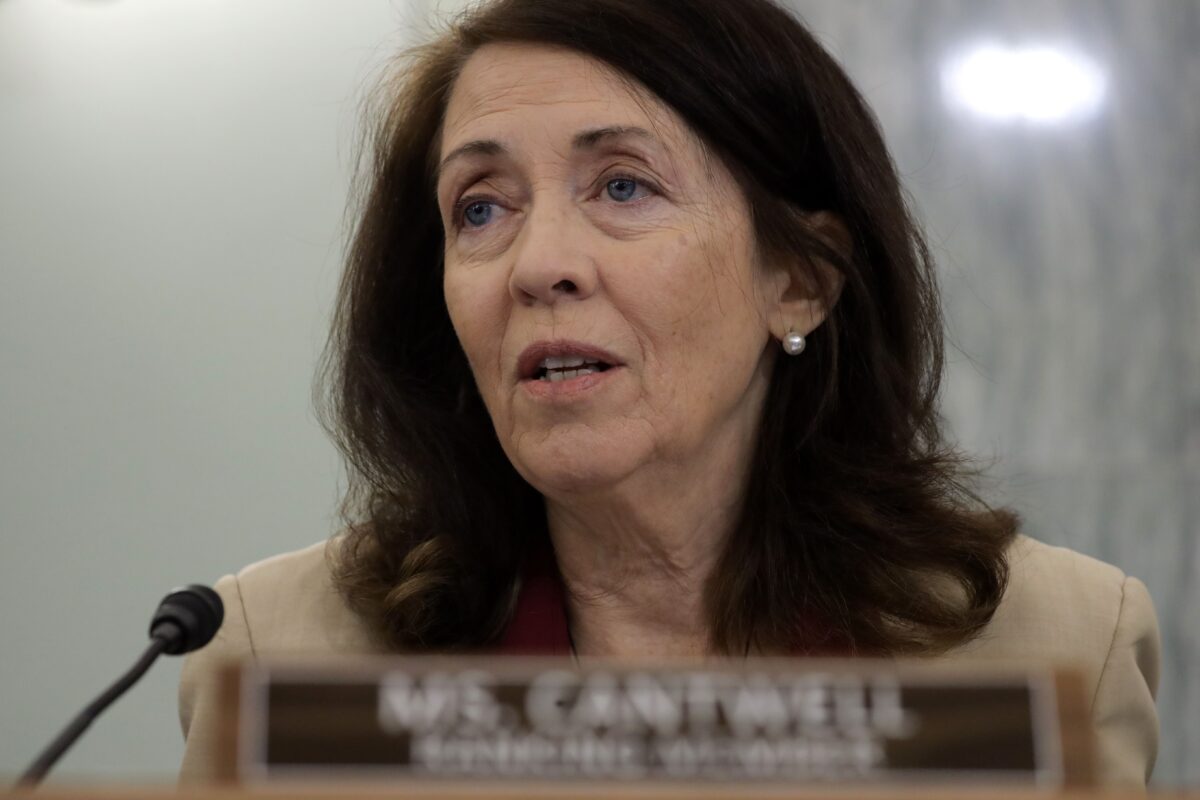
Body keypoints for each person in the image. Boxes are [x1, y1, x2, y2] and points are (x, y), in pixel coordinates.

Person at [178, 0, 1160, 786]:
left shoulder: (1059, 641)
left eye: (623, 186)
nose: (539, 263)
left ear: (800, 278)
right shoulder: (276, 652)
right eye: (481, 207)